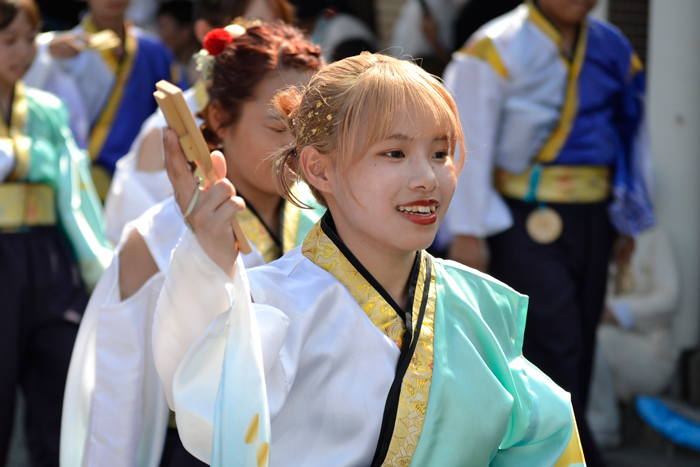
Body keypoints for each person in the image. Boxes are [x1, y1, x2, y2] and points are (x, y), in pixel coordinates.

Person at [153, 52, 586, 466]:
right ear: (320, 170)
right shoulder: (272, 307)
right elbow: (210, 413)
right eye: (394, 153)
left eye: (439, 153)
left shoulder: (481, 305)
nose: (427, 178)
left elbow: (544, 441)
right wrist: (209, 255)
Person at [60, 20, 324, 467]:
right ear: (220, 118)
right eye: (279, 129)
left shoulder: (326, 219)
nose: (299, 149)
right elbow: (117, 395)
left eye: (313, 128)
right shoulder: (156, 238)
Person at [443, 1, 654, 465]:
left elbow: (629, 131)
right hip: (523, 218)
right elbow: (468, 142)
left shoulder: (612, 48)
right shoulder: (495, 46)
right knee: (555, 341)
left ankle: (563, 446)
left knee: (581, 338)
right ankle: (564, 451)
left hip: (594, 217)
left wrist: (628, 217)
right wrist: (468, 231)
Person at [0, 0, 111, 465]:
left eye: (30, 39)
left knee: (60, 383)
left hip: (48, 257)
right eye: (9, 41)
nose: (23, 52)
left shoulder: (47, 108)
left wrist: (98, 266)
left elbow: (75, 191)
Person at [103, 0, 296, 245]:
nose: (272, 45)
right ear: (208, 33)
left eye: (280, 30)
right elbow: (143, 240)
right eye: (255, 29)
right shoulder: (166, 129)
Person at [23, 0, 181, 199]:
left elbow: (174, 113)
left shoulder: (154, 51)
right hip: (82, 179)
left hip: (145, 179)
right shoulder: (59, 50)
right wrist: (43, 53)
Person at [587, 226, 680, 448]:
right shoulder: (599, 235)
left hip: (652, 353)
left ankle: (604, 423)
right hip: (611, 350)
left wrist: (615, 312)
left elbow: (670, 298)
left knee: (598, 338)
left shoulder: (656, 237)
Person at [157, 0, 201, 88]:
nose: (160, 35)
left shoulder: (201, 67)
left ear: (186, 31)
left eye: (164, 27)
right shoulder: (173, 63)